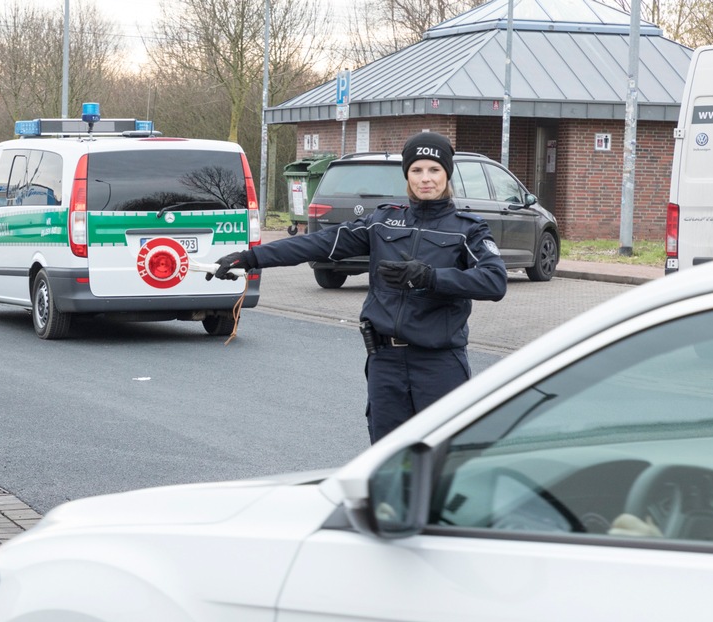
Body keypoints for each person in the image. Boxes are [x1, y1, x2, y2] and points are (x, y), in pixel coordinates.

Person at [211, 131, 507, 442]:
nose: (426, 179)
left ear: (447, 174)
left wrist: (430, 277)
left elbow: (494, 281)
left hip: (439, 364)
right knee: (385, 458)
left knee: (442, 459)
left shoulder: (467, 228)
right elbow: (317, 244)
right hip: (385, 361)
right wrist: (251, 257)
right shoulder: (383, 221)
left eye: (434, 170)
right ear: (407, 175)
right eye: (417, 170)